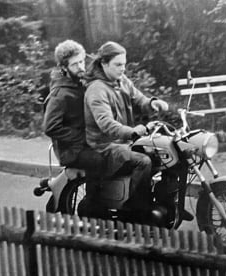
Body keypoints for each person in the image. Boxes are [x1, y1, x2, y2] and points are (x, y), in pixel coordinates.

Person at [82, 41, 169, 219]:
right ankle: (135, 212)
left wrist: (153, 103)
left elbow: (140, 99)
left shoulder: (121, 81)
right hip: (103, 147)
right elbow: (106, 123)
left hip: (123, 142)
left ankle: (160, 203)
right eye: (118, 64)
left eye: (124, 64)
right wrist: (132, 131)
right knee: (142, 162)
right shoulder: (97, 89)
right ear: (104, 64)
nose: (122, 69)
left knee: (160, 155)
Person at [43, 39, 105, 214]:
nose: (81, 67)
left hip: (86, 143)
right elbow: (50, 127)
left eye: (82, 61)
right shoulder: (60, 94)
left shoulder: (79, 82)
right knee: (100, 160)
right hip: (71, 150)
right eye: (75, 64)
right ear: (64, 67)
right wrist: (81, 136)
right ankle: (93, 207)